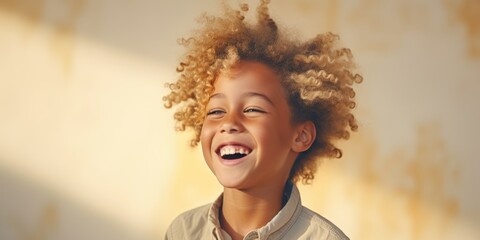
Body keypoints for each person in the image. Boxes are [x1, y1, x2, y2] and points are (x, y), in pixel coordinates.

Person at [163, 0, 362, 239]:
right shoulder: (183, 232)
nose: (229, 123)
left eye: (253, 109)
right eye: (216, 111)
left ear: (301, 136)